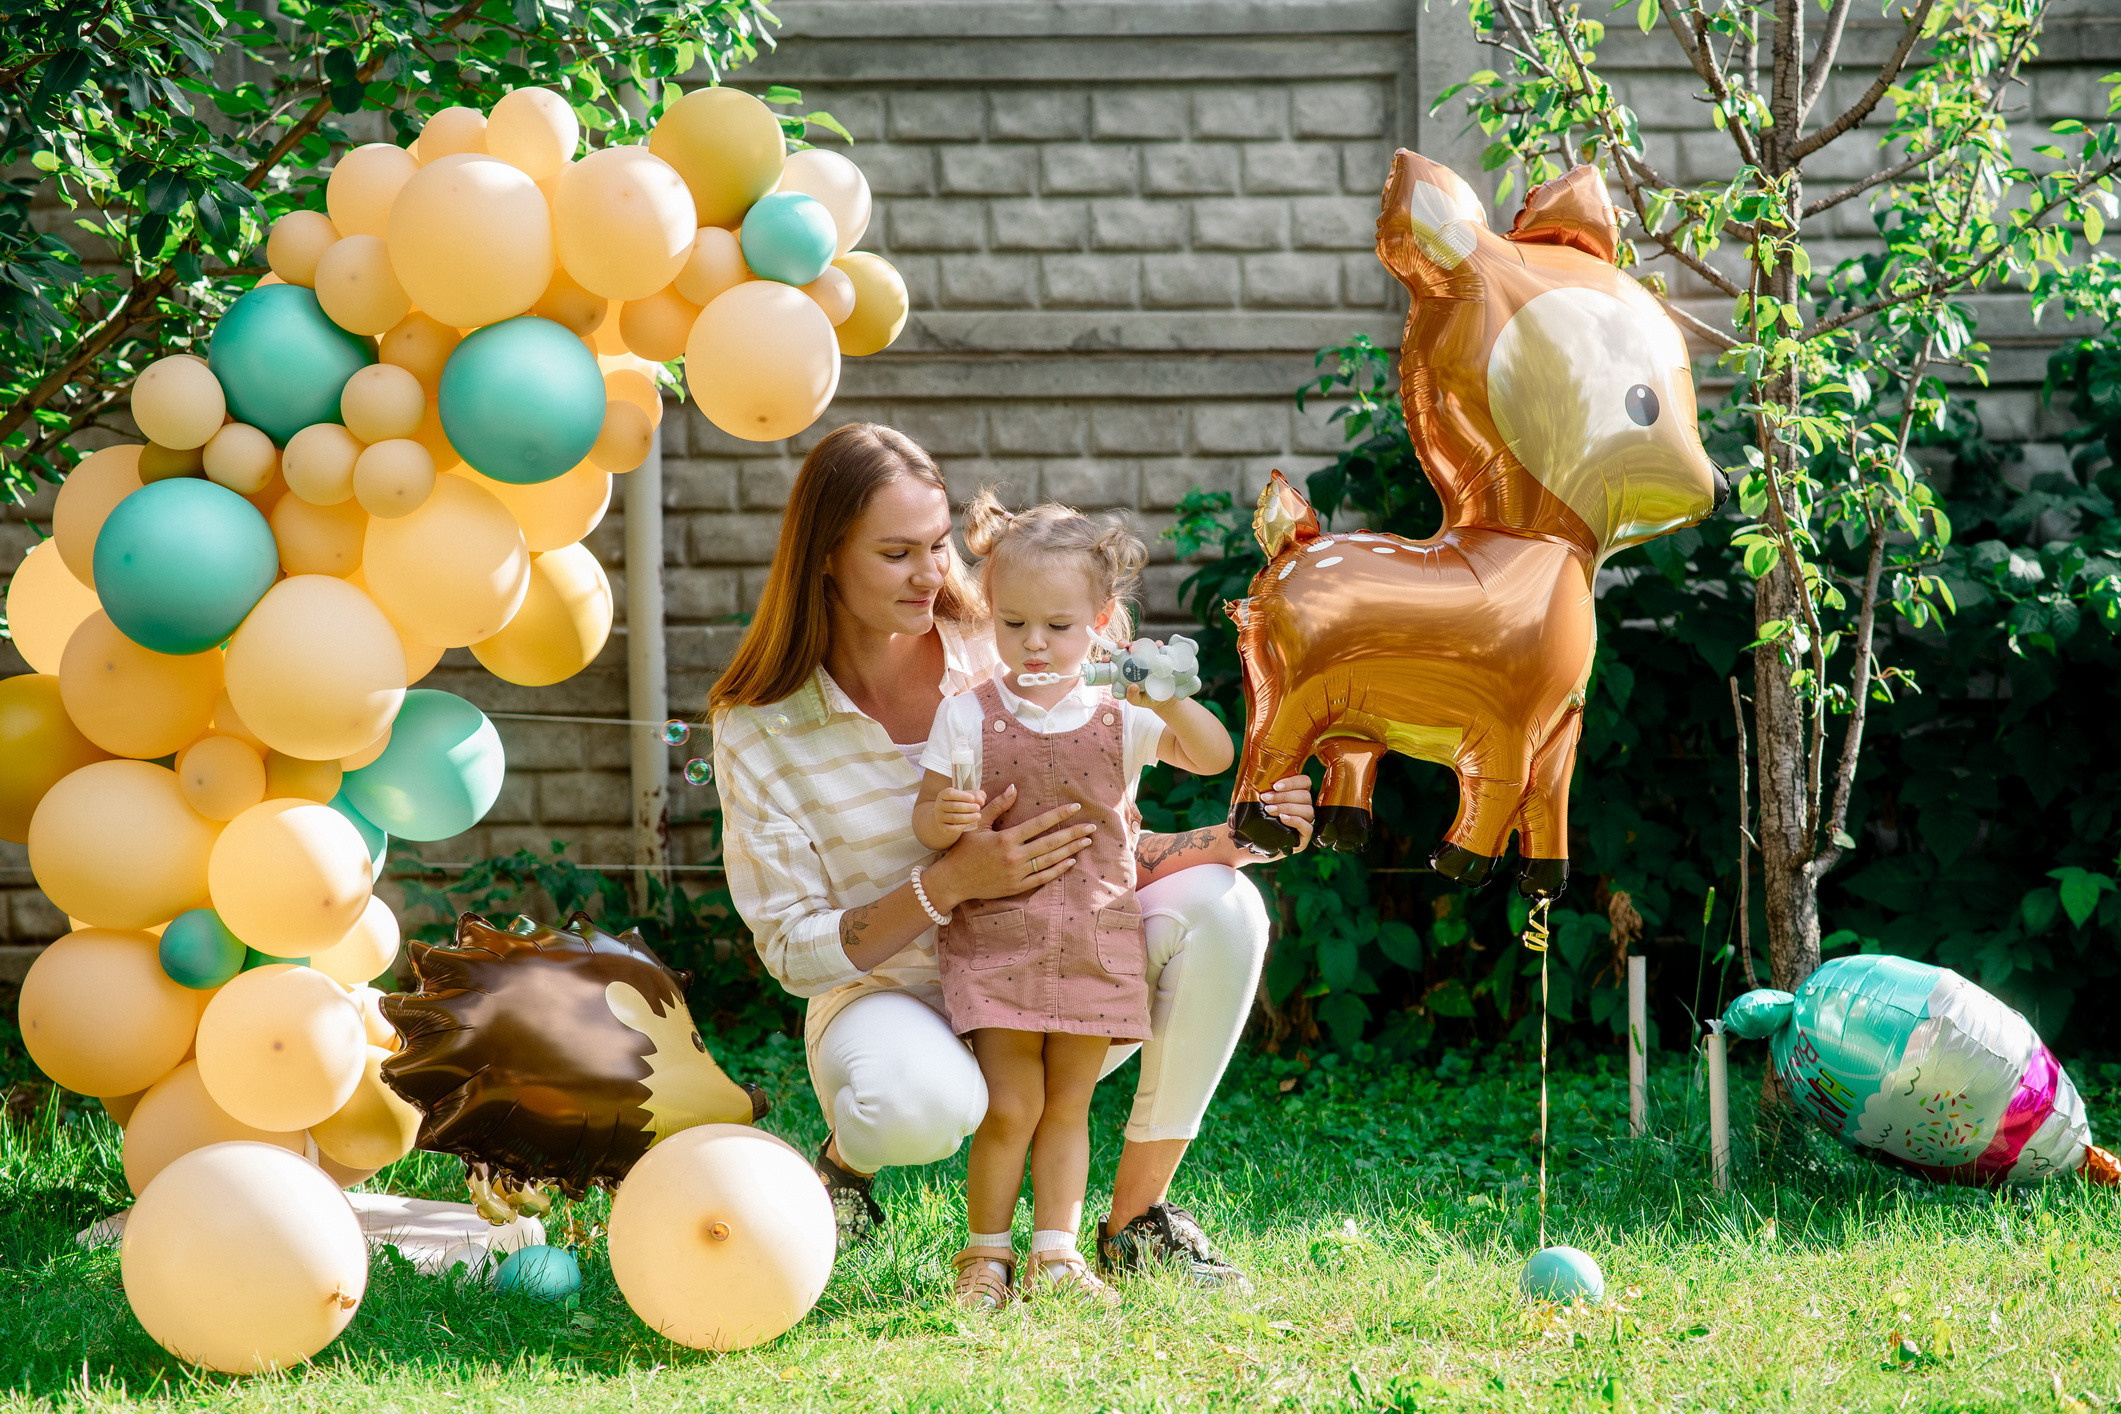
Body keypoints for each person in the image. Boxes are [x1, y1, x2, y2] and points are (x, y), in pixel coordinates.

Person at [710, 423, 1314, 1291]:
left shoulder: (1016, 635)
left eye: (935, 545)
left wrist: (1240, 837)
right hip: (892, 993)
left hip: (1050, 952)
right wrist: (948, 883)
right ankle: (848, 1163)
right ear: (825, 558)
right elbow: (793, 952)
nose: (930, 574)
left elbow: (1105, 836)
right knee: (918, 1106)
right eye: (895, 554)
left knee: (1222, 907)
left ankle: (1134, 1222)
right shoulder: (763, 725)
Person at [911, 492, 1235, 1308]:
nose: (1033, 644)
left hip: (1093, 938)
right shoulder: (966, 714)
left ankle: (1057, 1251)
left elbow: (1211, 754)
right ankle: (984, 1256)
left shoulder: (1120, 715)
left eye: (1057, 627)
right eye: (1012, 623)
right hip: (1002, 938)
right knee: (1011, 1102)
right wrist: (943, 814)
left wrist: (1165, 696)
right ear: (989, 616)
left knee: (1069, 1104)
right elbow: (926, 814)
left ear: (1099, 622)